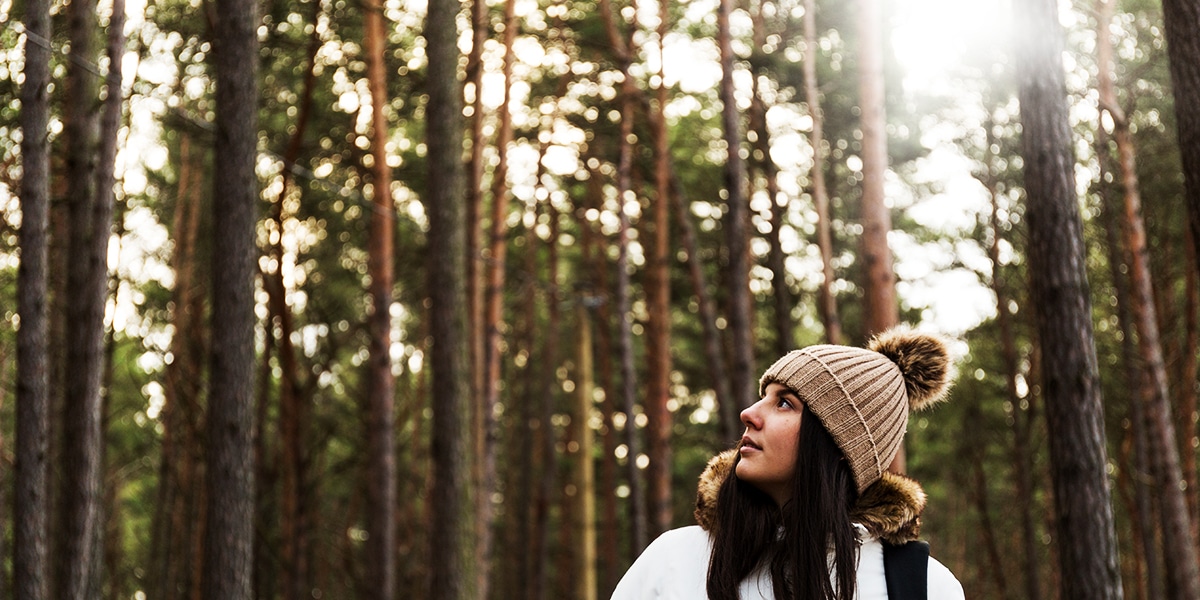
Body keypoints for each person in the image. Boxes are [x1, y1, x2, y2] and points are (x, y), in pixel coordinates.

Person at [611, 326, 965, 599]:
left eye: (784, 403)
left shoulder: (923, 586)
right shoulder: (675, 559)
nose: (749, 413)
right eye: (763, 396)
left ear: (840, 446)